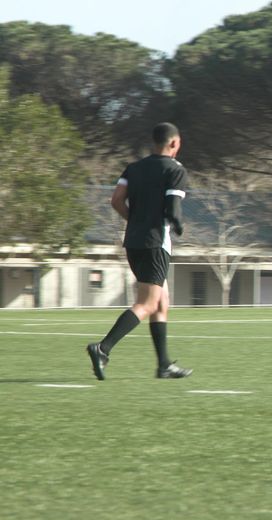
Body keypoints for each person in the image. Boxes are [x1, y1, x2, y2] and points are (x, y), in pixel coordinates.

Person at [86, 123, 193, 380]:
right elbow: (173, 208)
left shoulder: (133, 168)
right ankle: (103, 348)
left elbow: (116, 200)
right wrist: (177, 225)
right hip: (156, 242)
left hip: (133, 241)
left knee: (161, 301)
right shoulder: (175, 169)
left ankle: (164, 365)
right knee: (147, 303)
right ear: (174, 143)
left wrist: (134, 221)